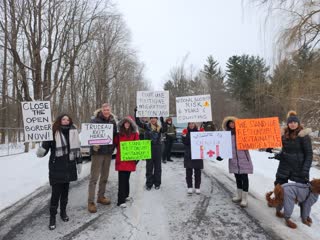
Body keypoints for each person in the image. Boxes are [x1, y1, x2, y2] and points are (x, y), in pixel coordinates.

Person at [36, 114, 82, 230]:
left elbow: (78, 148)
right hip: (56, 167)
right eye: (63, 119)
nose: (66, 121)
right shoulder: (53, 132)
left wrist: (79, 162)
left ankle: (63, 212)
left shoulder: (74, 132)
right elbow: (45, 147)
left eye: (67, 119)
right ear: (59, 120)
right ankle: (52, 217)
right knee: (55, 194)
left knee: (65, 192)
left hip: (69, 167)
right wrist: (41, 151)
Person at [87, 103, 117, 213]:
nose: (106, 111)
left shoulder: (113, 121)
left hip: (108, 153)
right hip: (97, 152)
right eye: (104, 110)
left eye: (108, 110)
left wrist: (113, 147)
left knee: (104, 177)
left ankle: (101, 197)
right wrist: (93, 145)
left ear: (110, 110)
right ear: (101, 110)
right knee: (94, 178)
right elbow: (88, 136)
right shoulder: (94, 121)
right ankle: (91, 202)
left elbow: (114, 136)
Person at [220, 116, 253, 208]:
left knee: (244, 177)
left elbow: (251, 141)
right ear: (227, 125)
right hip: (233, 159)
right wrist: (221, 156)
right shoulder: (226, 135)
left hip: (244, 158)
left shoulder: (243, 133)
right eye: (230, 123)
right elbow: (224, 147)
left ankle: (245, 198)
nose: (232, 124)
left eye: (233, 123)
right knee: (237, 177)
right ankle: (239, 195)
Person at [274, 110, 313, 186]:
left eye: (295, 122)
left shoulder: (303, 136)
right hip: (284, 167)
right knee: (279, 188)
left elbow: (309, 154)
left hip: (299, 168)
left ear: (298, 123)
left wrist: (305, 169)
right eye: (291, 123)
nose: (293, 124)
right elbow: (284, 151)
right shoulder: (284, 135)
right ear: (288, 124)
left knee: (301, 191)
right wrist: (279, 155)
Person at [134, 107, 166, 190]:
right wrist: (136, 112)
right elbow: (138, 122)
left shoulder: (159, 128)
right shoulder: (146, 126)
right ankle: (149, 184)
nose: (153, 120)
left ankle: (157, 183)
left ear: (156, 119)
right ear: (150, 119)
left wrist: (162, 119)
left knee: (158, 167)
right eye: (151, 118)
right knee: (149, 167)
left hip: (158, 148)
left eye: (155, 118)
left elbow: (165, 129)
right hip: (148, 147)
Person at [114, 116, 139, 208]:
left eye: (129, 123)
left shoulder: (135, 134)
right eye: (125, 123)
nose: (127, 124)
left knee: (127, 178)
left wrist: (137, 158)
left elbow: (137, 146)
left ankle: (126, 195)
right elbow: (115, 144)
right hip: (121, 159)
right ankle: (120, 200)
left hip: (130, 159)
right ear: (123, 124)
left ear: (131, 124)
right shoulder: (119, 134)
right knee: (122, 179)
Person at [182, 122, 203, 194]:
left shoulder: (199, 132)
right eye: (190, 124)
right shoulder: (185, 132)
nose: (191, 125)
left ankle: (197, 187)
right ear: (188, 125)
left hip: (197, 154)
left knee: (197, 171)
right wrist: (185, 135)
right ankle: (189, 187)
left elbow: (203, 142)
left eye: (192, 123)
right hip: (188, 154)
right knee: (188, 171)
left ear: (195, 125)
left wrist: (202, 133)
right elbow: (185, 142)